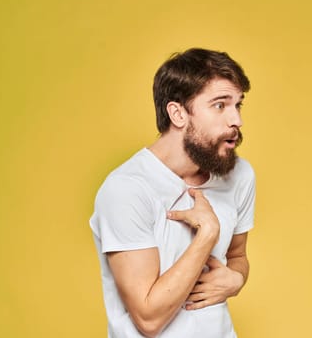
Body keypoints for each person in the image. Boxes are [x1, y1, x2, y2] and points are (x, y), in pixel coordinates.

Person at [89, 48, 256, 338]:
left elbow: (237, 255)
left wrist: (237, 279)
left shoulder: (239, 175)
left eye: (238, 105)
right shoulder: (127, 188)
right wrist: (207, 234)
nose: (236, 121)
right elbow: (149, 319)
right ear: (178, 113)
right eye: (220, 105)